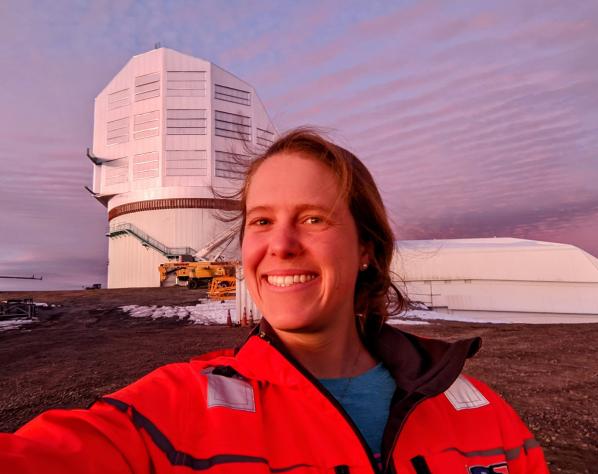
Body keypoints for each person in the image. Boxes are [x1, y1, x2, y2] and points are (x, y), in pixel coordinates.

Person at [1, 129, 548, 473]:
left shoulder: (484, 417)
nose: (281, 245)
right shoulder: (173, 416)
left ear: (366, 249)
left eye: (313, 218)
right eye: (262, 220)